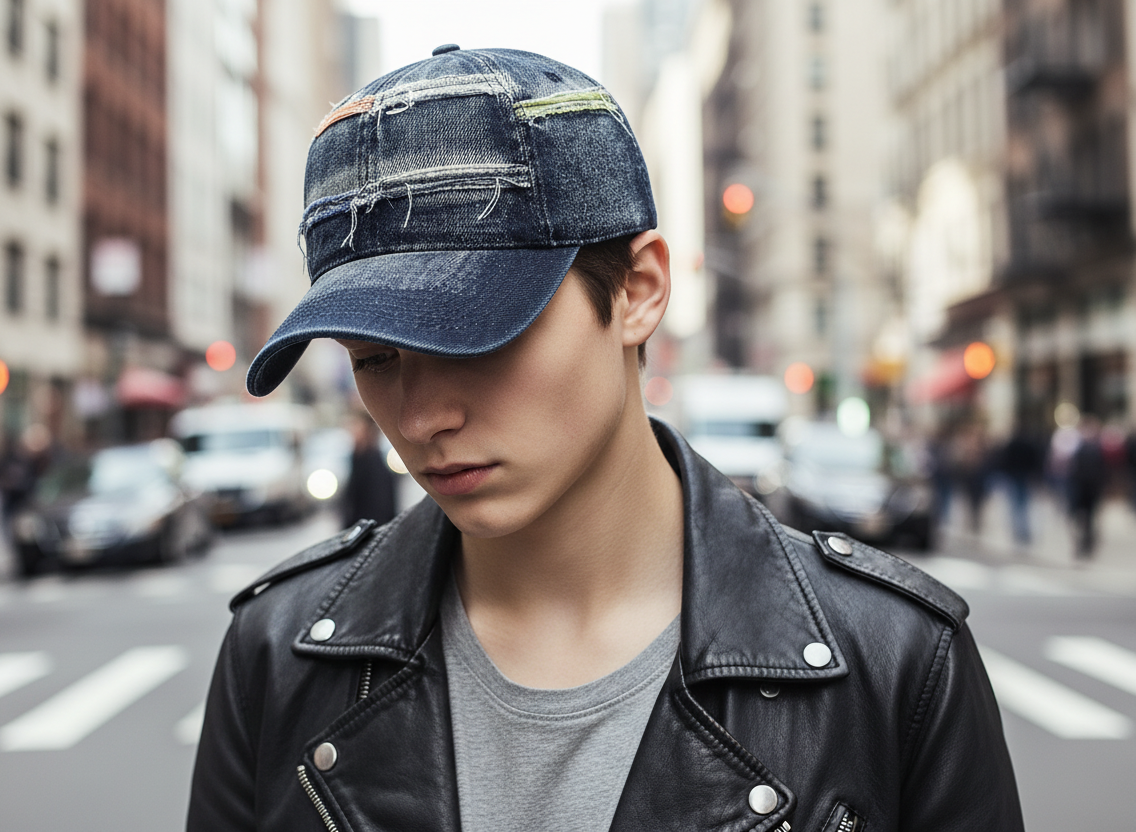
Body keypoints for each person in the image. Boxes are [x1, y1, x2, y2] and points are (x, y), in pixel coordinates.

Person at [188, 47, 1022, 832]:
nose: (418, 419)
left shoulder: (896, 662)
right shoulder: (275, 651)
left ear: (638, 290)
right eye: (373, 359)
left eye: (476, 338)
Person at [340, 410, 397, 528]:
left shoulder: (373, 461)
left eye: (355, 425)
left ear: (367, 430)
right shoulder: (357, 457)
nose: (351, 431)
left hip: (370, 531)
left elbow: (381, 507)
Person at [1068, 415, 1107, 559]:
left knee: (1090, 518)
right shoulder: (1078, 447)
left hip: (1092, 489)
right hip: (1079, 488)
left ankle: (1088, 544)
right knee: (1078, 518)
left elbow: (1103, 470)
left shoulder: (1098, 448)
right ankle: (1081, 544)